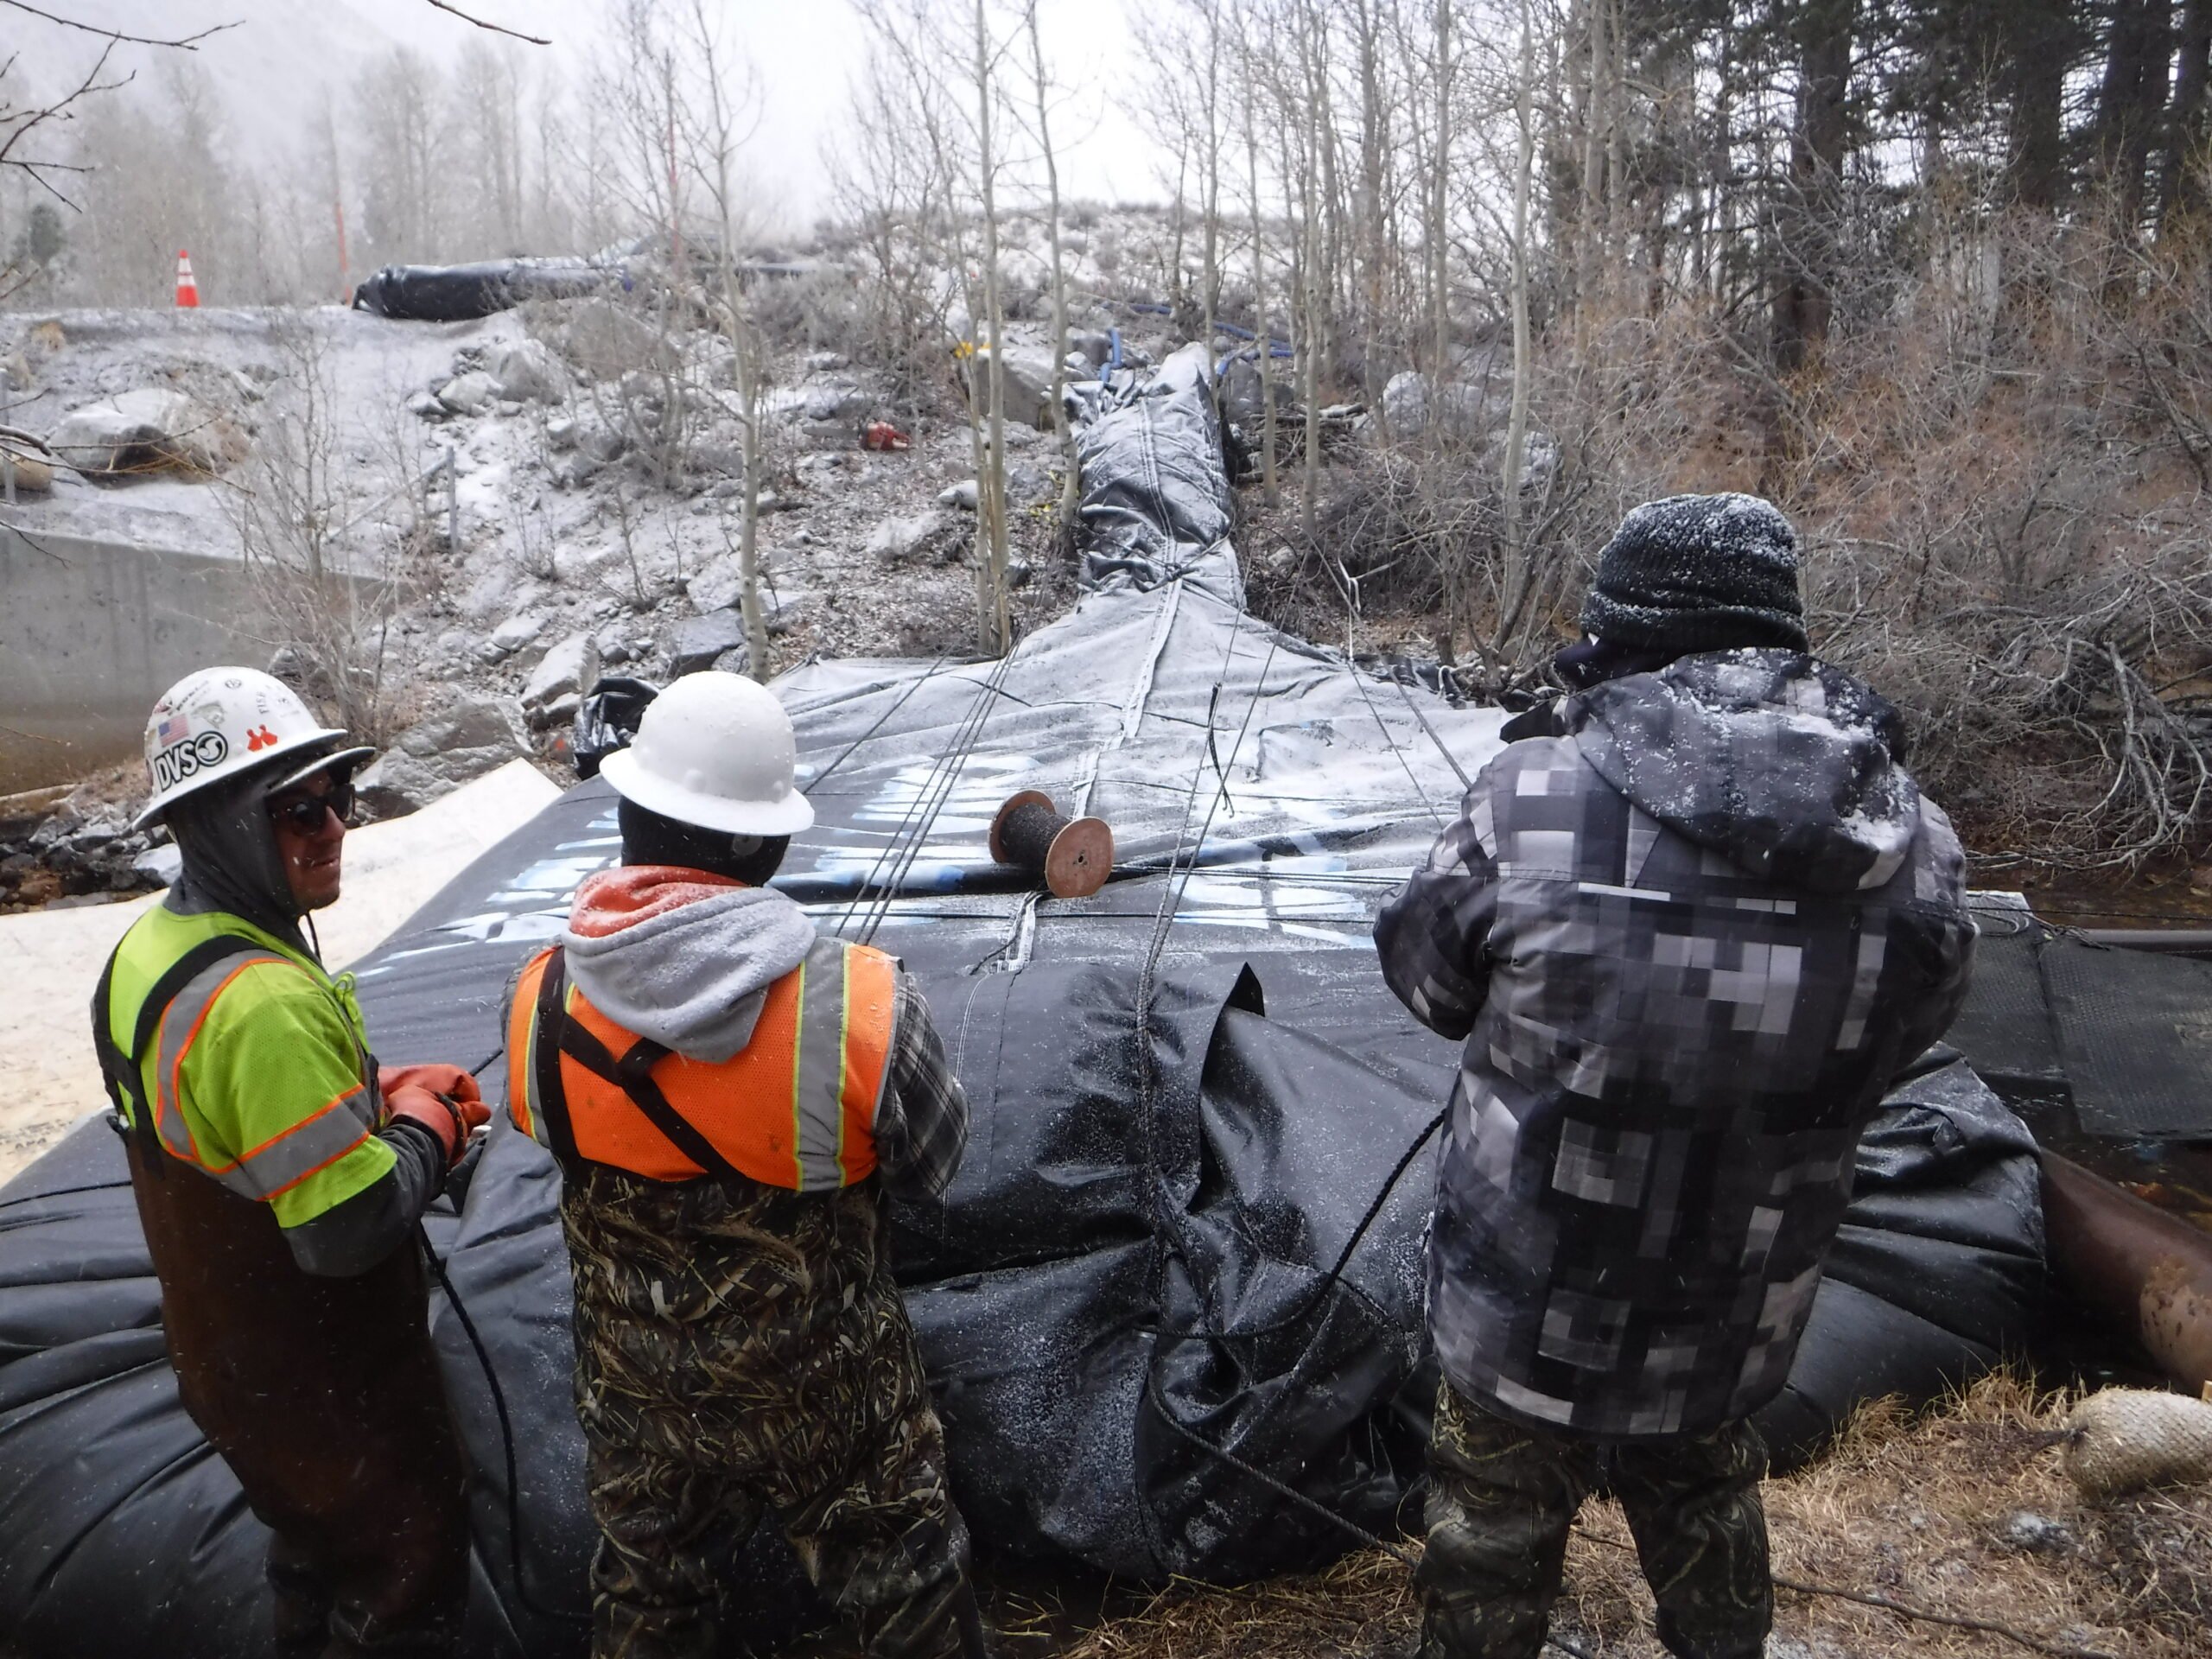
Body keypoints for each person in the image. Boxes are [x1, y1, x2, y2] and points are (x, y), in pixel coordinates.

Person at [1375, 494, 1977, 1659]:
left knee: (1494, 1519)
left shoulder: (1527, 799)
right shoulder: (1917, 838)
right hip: (1741, 1298)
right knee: (1707, 1494)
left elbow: (1428, 987)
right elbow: (1912, 1041)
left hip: (1524, 1295)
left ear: (1626, 636)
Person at [501, 671, 983, 1659]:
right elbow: (938, 1166)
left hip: (638, 1402)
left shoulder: (536, 1002)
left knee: (650, 1608)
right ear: (768, 841)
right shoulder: (863, 1006)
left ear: (628, 814)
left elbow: (547, 1138)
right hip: (832, 1403)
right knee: (907, 1596)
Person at [92, 666, 490, 1659]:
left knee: (309, 1550)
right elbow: (346, 1231)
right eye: (295, 809)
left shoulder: (151, 948)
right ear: (211, 823)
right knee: (402, 1586)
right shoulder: (262, 1002)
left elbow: (218, 1119)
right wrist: (427, 1129)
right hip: (334, 1388)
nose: (332, 828)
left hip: (237, 1375)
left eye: (340, 796)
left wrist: (370, 1092)